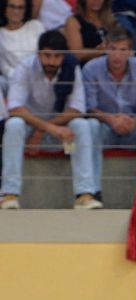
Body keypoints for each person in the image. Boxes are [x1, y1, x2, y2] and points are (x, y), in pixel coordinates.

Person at [0, 29, 101, 210]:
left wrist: (45, 129)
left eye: (57, 56)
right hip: (30, 128)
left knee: (81, 125)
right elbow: (16, 108)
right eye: (47, 55)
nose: (51, 61)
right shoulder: (24, 67)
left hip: (58, 131)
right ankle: (9, 194)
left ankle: (84, 194)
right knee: (14, 125)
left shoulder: (72, 68)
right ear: (38, 53)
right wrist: (46, 128)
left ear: (63, 56)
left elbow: (76, 110)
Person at [83, 26, 136, 201]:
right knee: (88, 127)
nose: (117, 55)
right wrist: (111, 120)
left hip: (134, 126)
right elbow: (90, 108)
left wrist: (135, 121)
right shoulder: (91, 69)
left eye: (123, 50)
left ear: (131, 52)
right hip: (105, 127)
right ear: (105, 48)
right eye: (112, 49)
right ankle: (92, 192)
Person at [0, 0, 45, 91]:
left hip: (40, 78)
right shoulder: (1, 33)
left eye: (20, 7)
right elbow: (4, 67)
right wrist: (21, 78)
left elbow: (45, 54)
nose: (16, 11)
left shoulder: (36, 26)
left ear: (26, 10)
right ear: (5, 8)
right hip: (13, 81)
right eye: (12, 6)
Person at [63, 0, 118, 64]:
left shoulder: (112, 20)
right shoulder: (73, 21)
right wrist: (100, 51)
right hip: (85, 68)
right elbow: (77, 54)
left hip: (112, 67)